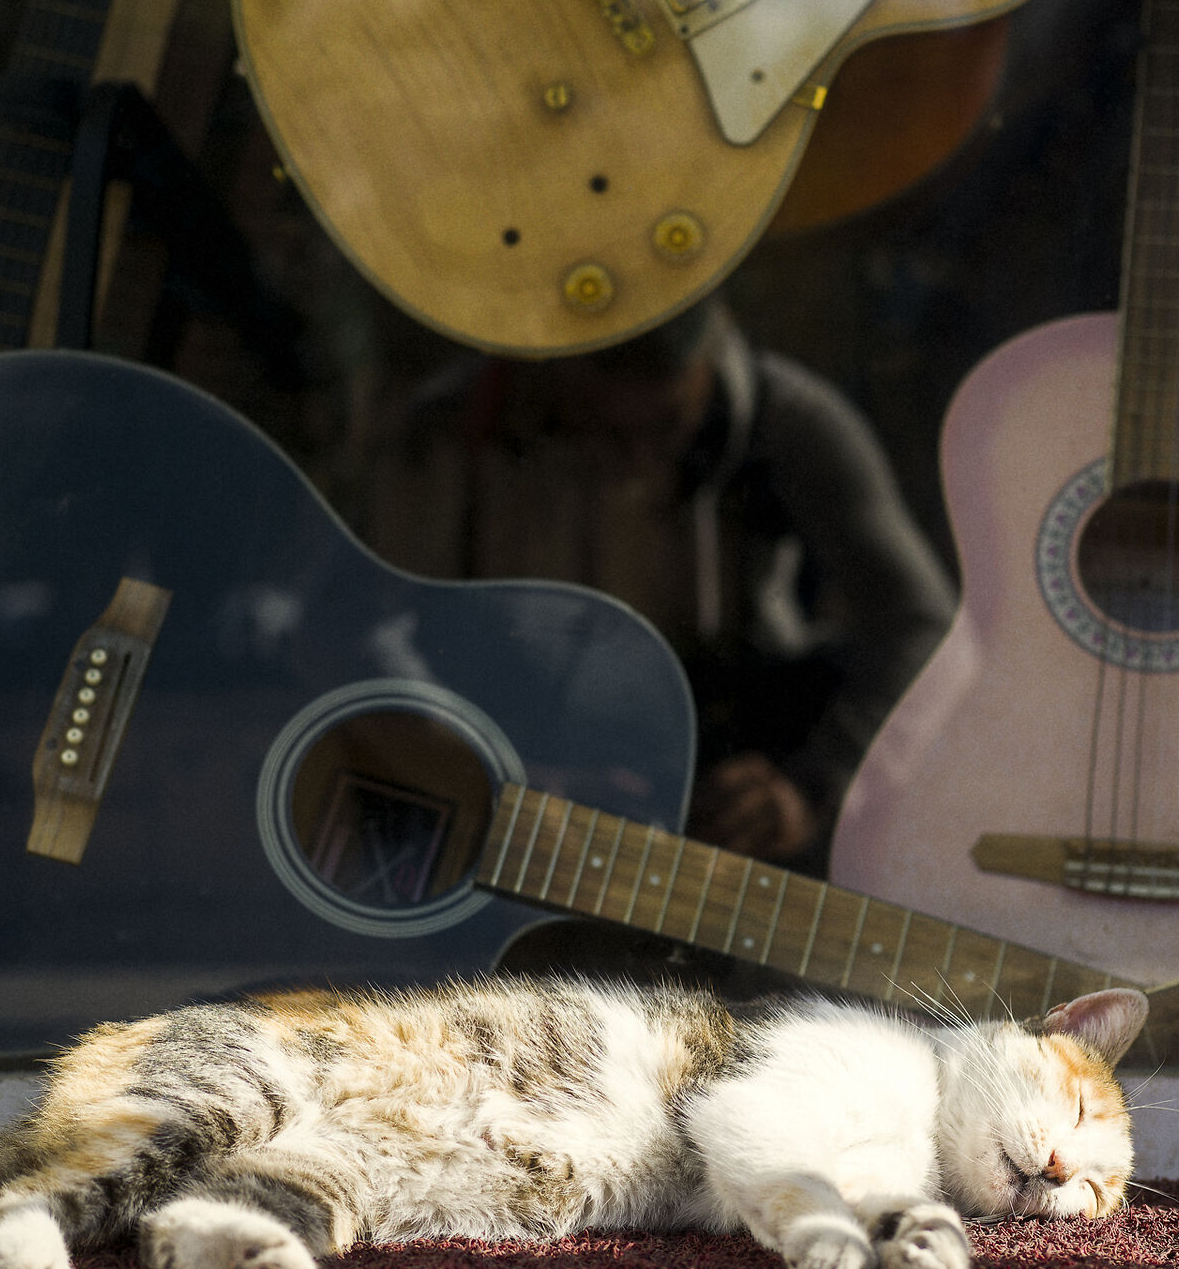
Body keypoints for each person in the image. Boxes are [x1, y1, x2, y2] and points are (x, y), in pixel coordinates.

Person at [345, 301, 955, 872]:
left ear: (708, 364)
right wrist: (466, 765)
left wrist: (815, 784)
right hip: (515, 755)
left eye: (666, 429)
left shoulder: (787, 420)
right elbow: (350, 627)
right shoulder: (450, 432)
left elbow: (921, 624)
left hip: (722, 754)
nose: (637, 461)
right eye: (601, 430)